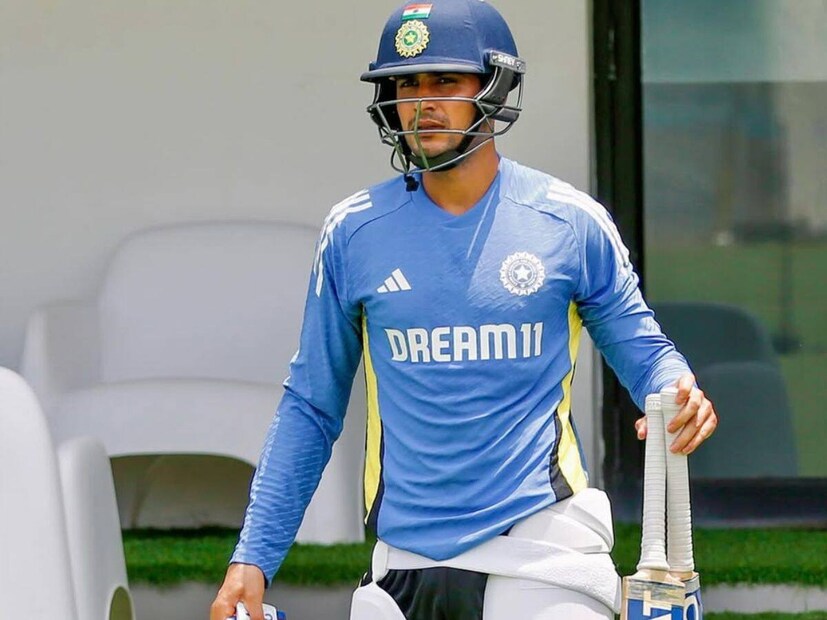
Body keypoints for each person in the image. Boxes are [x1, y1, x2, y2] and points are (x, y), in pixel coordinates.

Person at [210, 1, 718, 619]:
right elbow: (311, 407)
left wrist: (678, 392)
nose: (422, 102)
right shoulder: (353, 232)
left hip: (543, 548)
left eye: (445, 81)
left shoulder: (570, 222)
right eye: (406, 85)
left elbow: (647, 356)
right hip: (403, 564)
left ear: (494, 87)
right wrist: (253, 558)